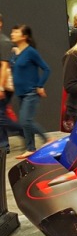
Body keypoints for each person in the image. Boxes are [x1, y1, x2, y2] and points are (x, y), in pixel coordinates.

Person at [9, 24, 51, 159]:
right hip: (20, 93)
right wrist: (15, 55)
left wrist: (40, 85)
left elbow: (46, 69)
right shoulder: (16, 53)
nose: (12, 34)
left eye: (16, 32)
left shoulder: (31, 52)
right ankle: (30, 148)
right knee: (26, 122)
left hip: (30, 93)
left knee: (25, 121)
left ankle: (47, 139)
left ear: (24, 36)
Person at [0, 14, 24, 154]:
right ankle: (4, 145)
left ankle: (24, 131)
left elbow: (4, 66)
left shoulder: (4, 41)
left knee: (1, 116)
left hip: (3, 85)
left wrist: (1, 87)